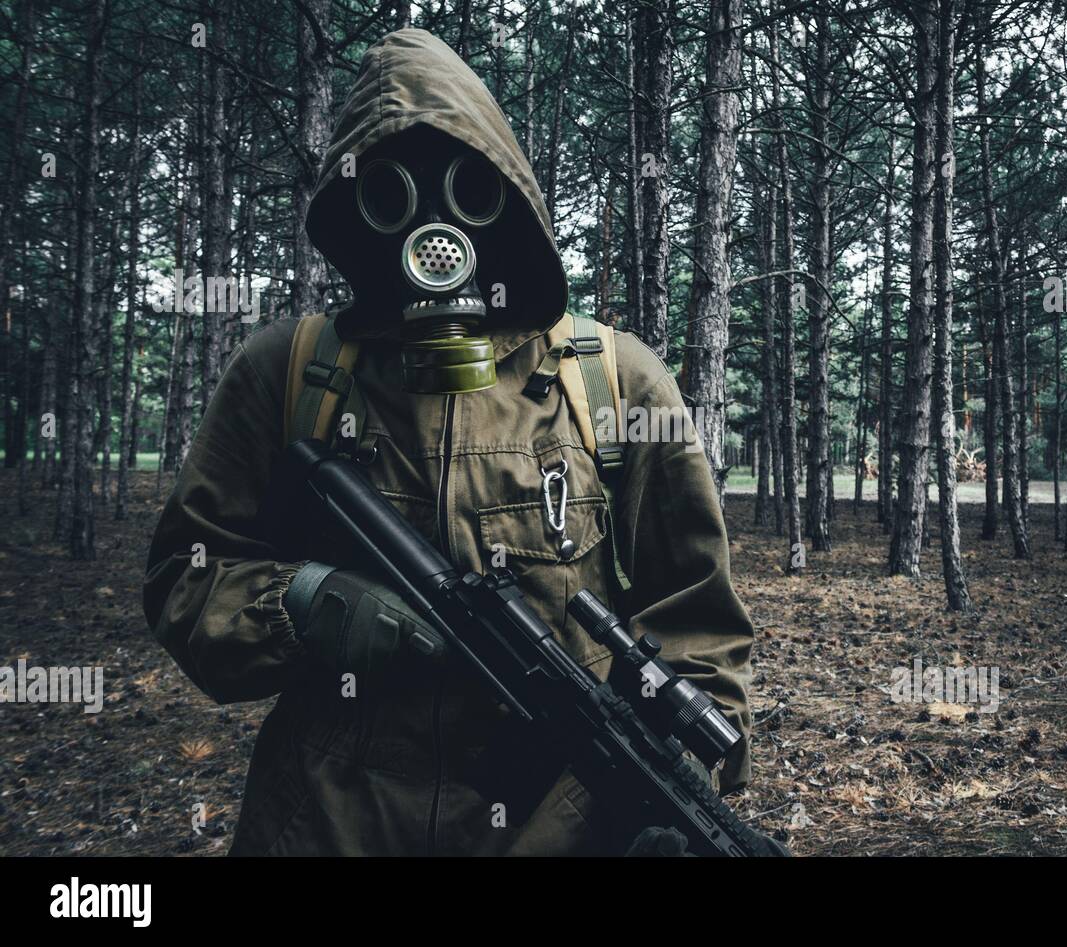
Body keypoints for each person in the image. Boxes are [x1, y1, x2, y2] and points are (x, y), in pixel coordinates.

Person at [143, 28, 760, 856]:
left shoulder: (616, 383)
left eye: (468, 189)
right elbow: (188, 577)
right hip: (329, 820)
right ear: (353, 210)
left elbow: (699, 628)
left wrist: (631, 802)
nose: (434, 227)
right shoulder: (289, 373)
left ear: (509, 192)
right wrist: (304, 602)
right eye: (393, 196)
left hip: (557, 826)